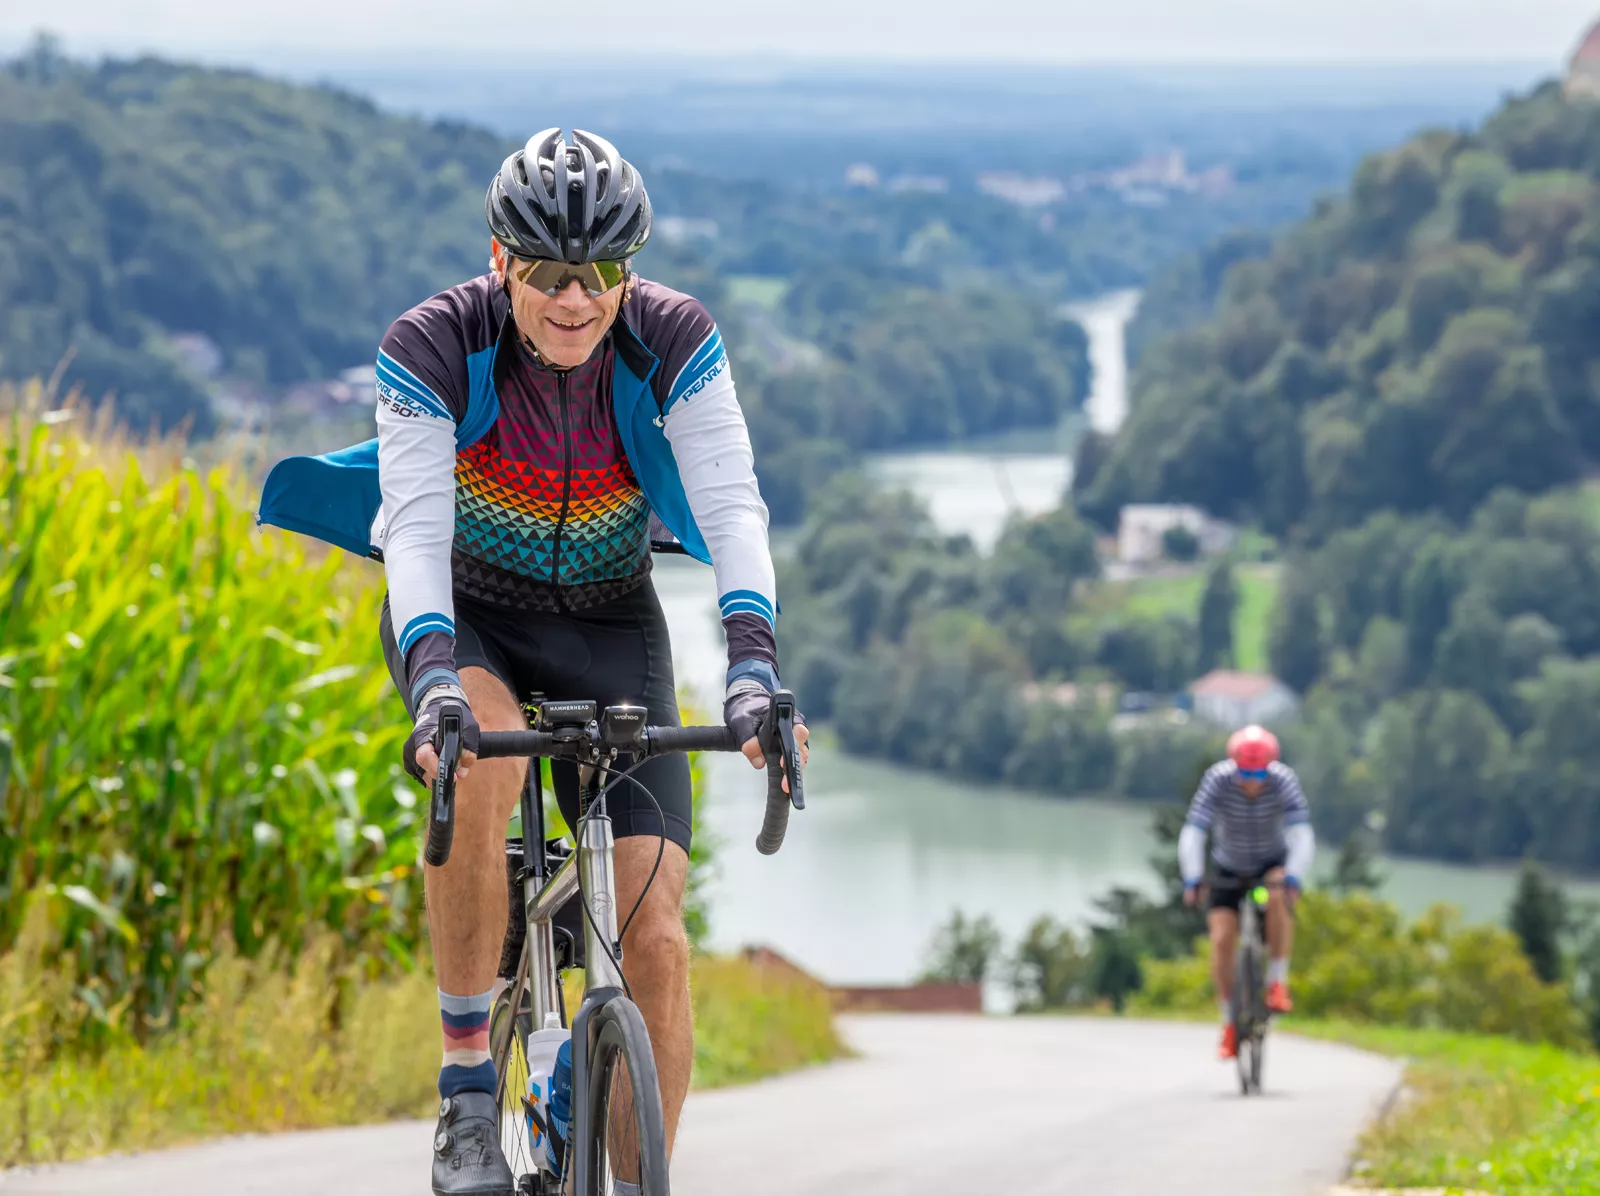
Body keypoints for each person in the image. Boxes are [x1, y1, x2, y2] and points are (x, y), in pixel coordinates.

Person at [259, 128, 808, 1196]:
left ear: (629, 270)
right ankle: (468, 1091)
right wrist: (429, 686)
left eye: (601, 272)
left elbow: (735, 505)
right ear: (501, 259)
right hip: (468, 616)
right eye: (550, 272)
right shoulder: (433, 342)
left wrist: (752, 667)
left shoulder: (673, 337)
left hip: (609, 618)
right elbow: (412, 535)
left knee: (655, 935)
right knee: (480, 765)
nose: (575, 298)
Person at [1177, 725, 1313, 1061]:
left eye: (1258, 772)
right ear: (1233, 765)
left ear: (1270, 765)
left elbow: (1301, 833)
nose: (1252, 780)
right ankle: (1228, 1024)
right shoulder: (1218, 779)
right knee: (1222, 938)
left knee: (1277, 894)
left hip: (1270, 864)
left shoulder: (1283, 780)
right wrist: (1193, 878)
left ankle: (1277, 981)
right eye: (1245, 772)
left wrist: (1294, 875)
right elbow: (1194, 831)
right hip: (1228, 867)